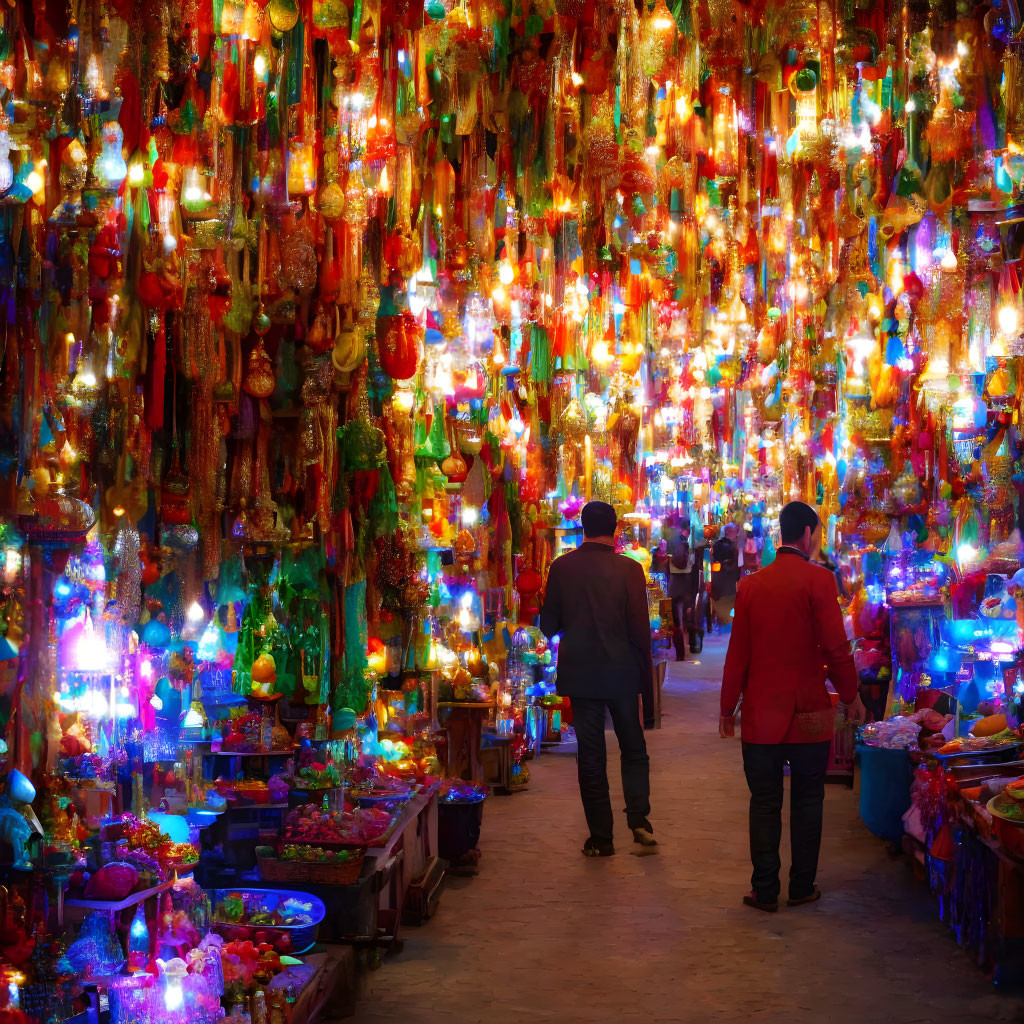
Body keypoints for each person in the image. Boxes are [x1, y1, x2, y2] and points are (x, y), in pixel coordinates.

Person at [720, 500, 866, 912]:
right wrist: (851, 695)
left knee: (764, 801)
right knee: (807, 798)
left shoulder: (751, 586)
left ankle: (764, 891)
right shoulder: (819, 582)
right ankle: (801, 886)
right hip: (808, 715)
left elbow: (738, 654)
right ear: (806, 535)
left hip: (761, 717)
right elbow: (837, 650)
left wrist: (726, 707)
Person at [540, 500, 657, 857]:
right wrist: (646, 685)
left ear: (582, 527)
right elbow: (641, 630)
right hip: (622, 671)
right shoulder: (630, 570)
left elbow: (548, 626)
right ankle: (639, 819)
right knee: (633, 747)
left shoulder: (562, 567)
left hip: (581, 674)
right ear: (616, 528)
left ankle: (601, 838)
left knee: (591, 755)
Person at [667, 523, 696, 660]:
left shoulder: (670, 557)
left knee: (676, 622)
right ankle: (691, 646)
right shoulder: (690, 554)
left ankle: (679, 653)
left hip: (673, 588)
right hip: (686, 587)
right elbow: (693, 567)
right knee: (686, 618)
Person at [711, 522, 741, 626]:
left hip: (721, 581)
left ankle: (723, 619)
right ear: (729, 532)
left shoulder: (717, 544)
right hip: (728, 580)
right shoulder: (731, 546)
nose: (736, 534)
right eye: (734, 532)